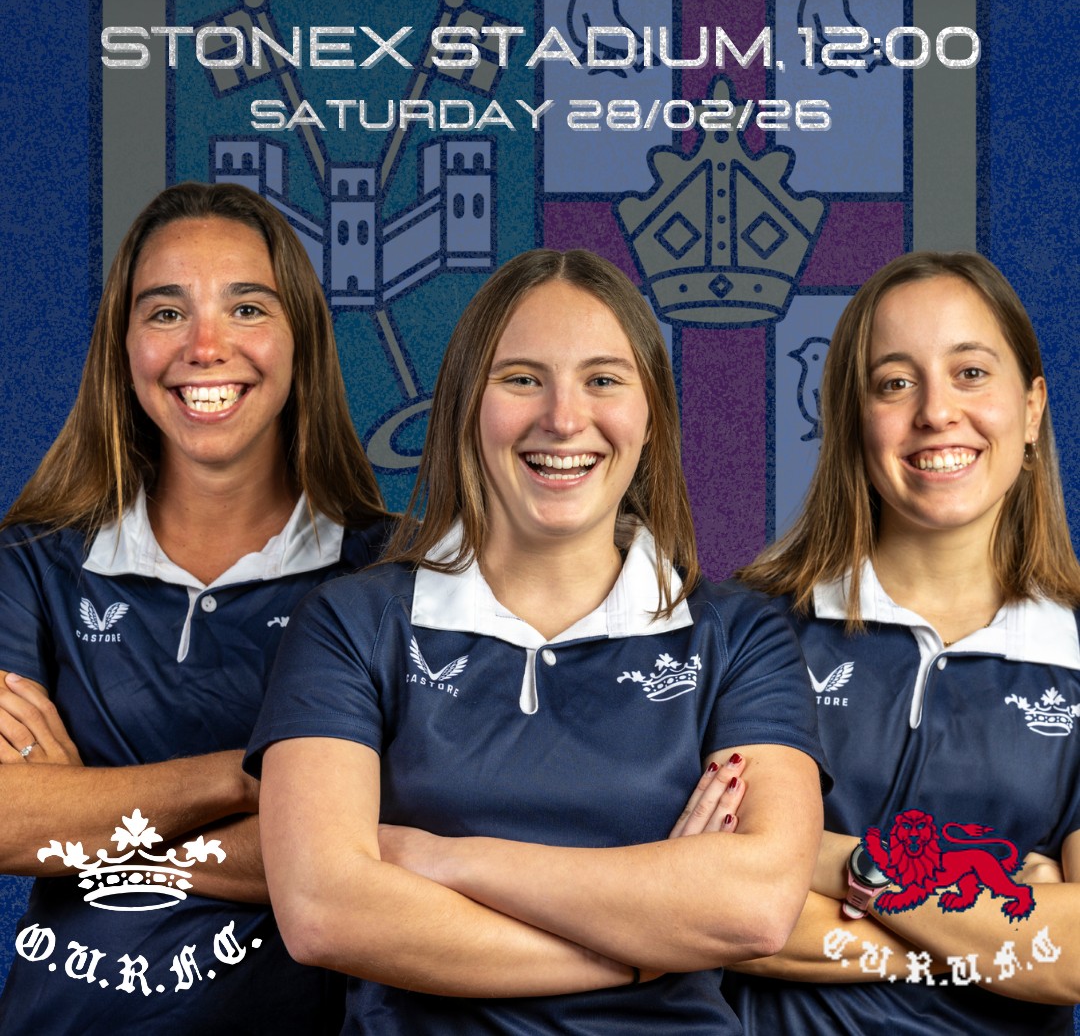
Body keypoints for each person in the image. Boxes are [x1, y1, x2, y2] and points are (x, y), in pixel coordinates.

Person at [248, 247, 825, 1034]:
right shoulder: (353, 623)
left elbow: (754, 908)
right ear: (463, 407)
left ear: (651, 412)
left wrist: (445, 859)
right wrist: (645, 941)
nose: (563, 418)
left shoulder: (741, 635)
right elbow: (325, 911)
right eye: (522, 379)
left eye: (604, 380)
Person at [0, 181, 388, 1034]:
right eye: (166, 312)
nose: (206, 347)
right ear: (123, 345)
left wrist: (87, 819)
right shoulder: (31, 564)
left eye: (247, 307)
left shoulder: (389, 573)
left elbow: (377, 846)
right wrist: (252, 777)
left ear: (302, 343)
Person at [723, 250, 1080, 1033]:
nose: (936, 412)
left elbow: (1074, 956)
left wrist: (834, 861)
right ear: (852, 419)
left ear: (1031, 409)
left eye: (971, 373)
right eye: (895, 382)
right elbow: (711, 908)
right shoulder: (746, 628)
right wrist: (994, 927)